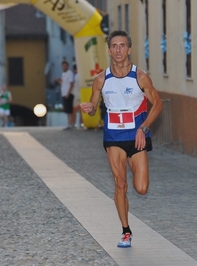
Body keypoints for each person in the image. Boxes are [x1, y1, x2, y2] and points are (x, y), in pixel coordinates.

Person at [80, 30, 162, 248]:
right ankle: (126, 231)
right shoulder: (100, 79)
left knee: (141, 187)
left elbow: (158, 104)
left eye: (122, 45)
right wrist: (88, 109)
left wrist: (143, 128)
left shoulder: (140, 76)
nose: (118, 50)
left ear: (129, 49)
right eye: (114, 46)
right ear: (109, 50)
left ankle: (135, 165)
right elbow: (93, 107)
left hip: (137, 136)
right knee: (120, 184)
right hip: (114, 136)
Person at [55, 61, 74, 130]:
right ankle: (69, 123)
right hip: (64, 93)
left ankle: (70, 123)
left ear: (67, 66)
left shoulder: (69, 73)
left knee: (69, 109)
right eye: (63, 66)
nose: (64, 67)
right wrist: (58, 81)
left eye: (65, 66)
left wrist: (68, 93)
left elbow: (71, 83)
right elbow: (63, 84)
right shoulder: (63, 74)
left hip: (68, 94)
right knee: (67, 109)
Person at [72, 64, 82, 129]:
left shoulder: (74, 76)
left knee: (74, 110)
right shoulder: (82, 75)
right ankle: (81, 123)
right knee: (81, 110)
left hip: (75, 94)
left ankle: (74, 123)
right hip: (81, 93)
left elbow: (72, 84)